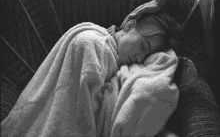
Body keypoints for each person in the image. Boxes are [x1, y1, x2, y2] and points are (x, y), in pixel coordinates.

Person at [1, 11, 181, 137]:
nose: (140, 57)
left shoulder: (118, 63)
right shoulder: (94, 44)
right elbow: (73, 114)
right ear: (129, 25)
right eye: (143, 46)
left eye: (147, 56)